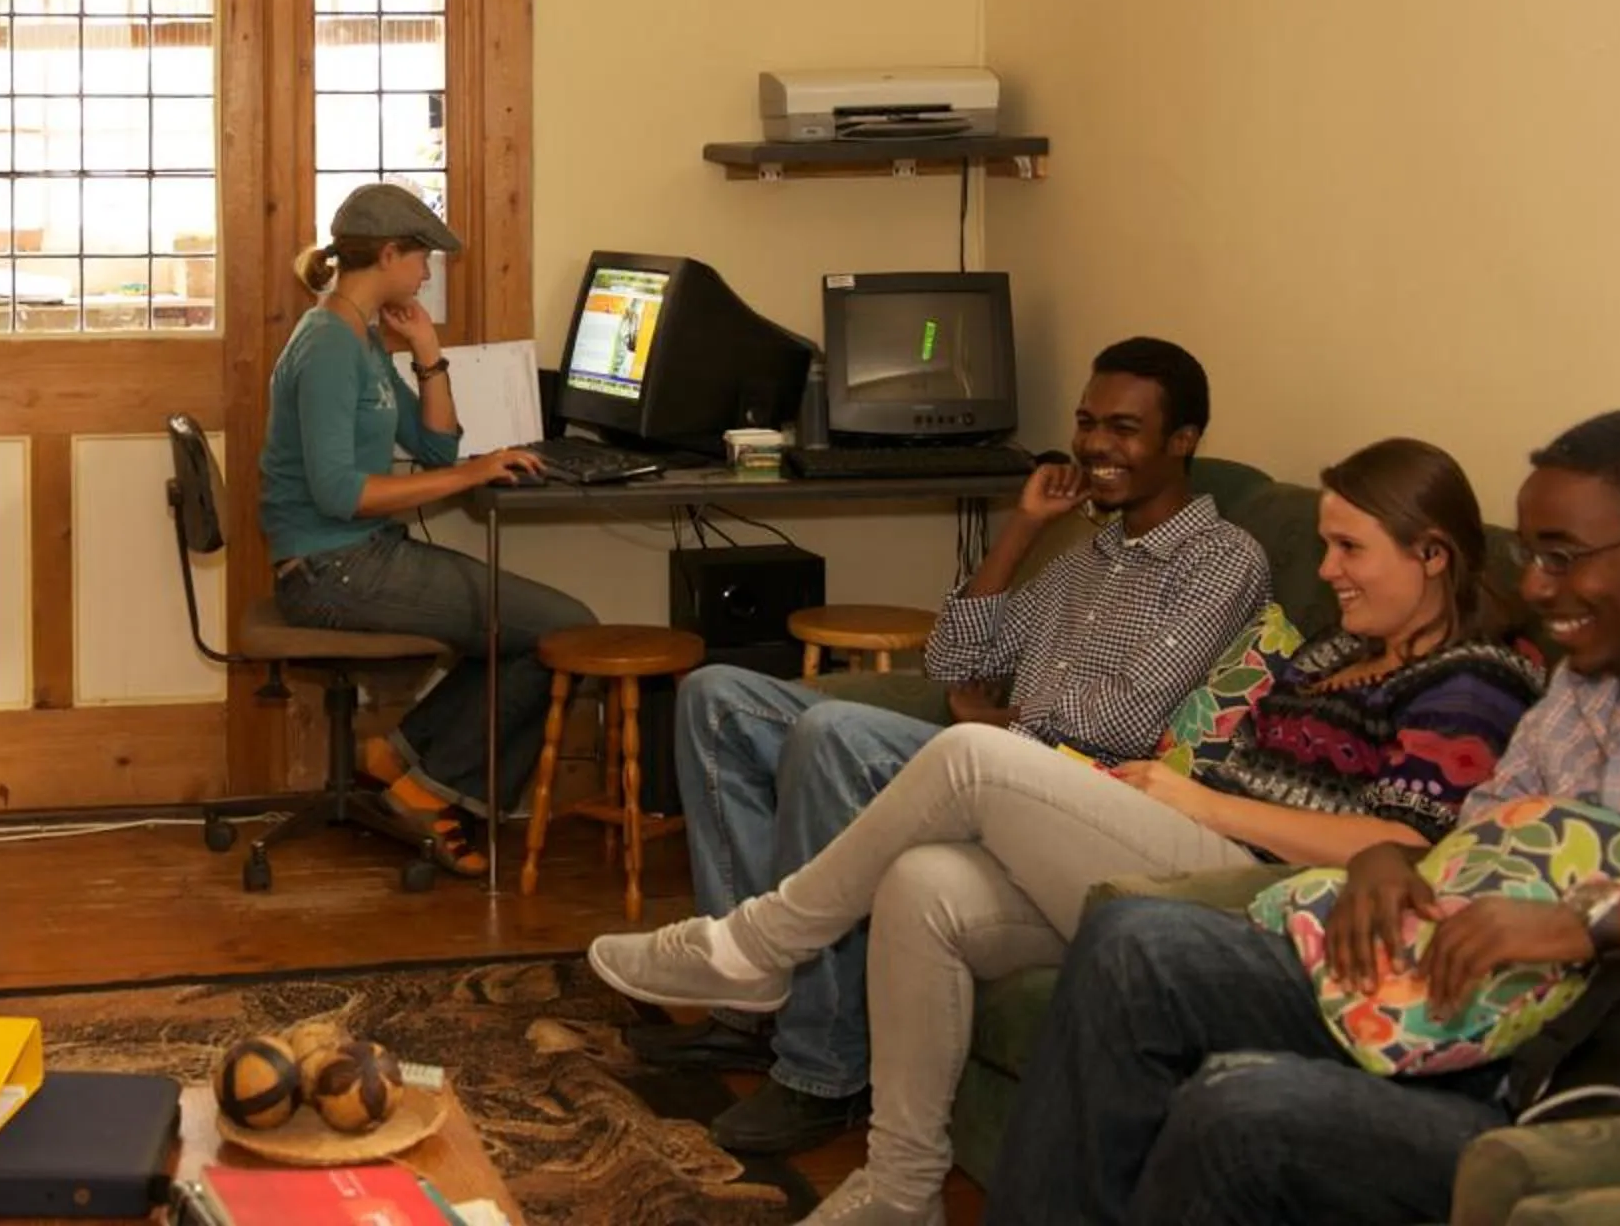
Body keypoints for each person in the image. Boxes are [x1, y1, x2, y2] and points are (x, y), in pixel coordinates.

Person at [591, 438, 1548, 1225]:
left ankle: (759, 945)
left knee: (973, 757)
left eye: (1350, 550)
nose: (1328, 571)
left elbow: (1403, 844)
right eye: (1327, 546)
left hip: (1259, 895)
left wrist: (1203, 804)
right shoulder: (1348, 643)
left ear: (1433, 554)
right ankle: (901, 1187)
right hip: (1191, 836)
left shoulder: (1471, 681)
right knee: (922, 883)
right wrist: (1168, 786)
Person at [988, 410, 1620, 1226]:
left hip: (1601, 1067)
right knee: (1138, 942)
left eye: (1564, 556)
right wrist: (1384, 864)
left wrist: (1596, 926)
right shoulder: (1580, 692)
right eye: (1530, 553)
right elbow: (1465, 845)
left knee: (1243, 1108)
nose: (1535, 585)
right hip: (1454, 995)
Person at [652, 337, 1269, 1156]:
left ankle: (824, 1069)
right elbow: (952, 662)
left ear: (1183, 440)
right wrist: (1022, 528)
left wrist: (999, 725)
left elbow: (1122, 720)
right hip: (981, 752)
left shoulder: (1220, 561)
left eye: (1123, 428)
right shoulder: (1089, 554)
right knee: (715, 697)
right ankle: (746, 1007)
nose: (1094, 446)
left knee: (831, 728)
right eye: (1087, 424)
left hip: (1065, 793)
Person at [257, 182, 589, 873]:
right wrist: (476, 475)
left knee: (534, 628)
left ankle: (404, 759)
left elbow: (437, 446)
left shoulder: (363, 337)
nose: (428, 274)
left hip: (361, 556)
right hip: (328, 572)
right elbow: (340, 492)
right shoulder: (325, 346)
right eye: (422, 259)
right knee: (563, 632)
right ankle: (429, 789)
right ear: (387, 253)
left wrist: (428, 352)